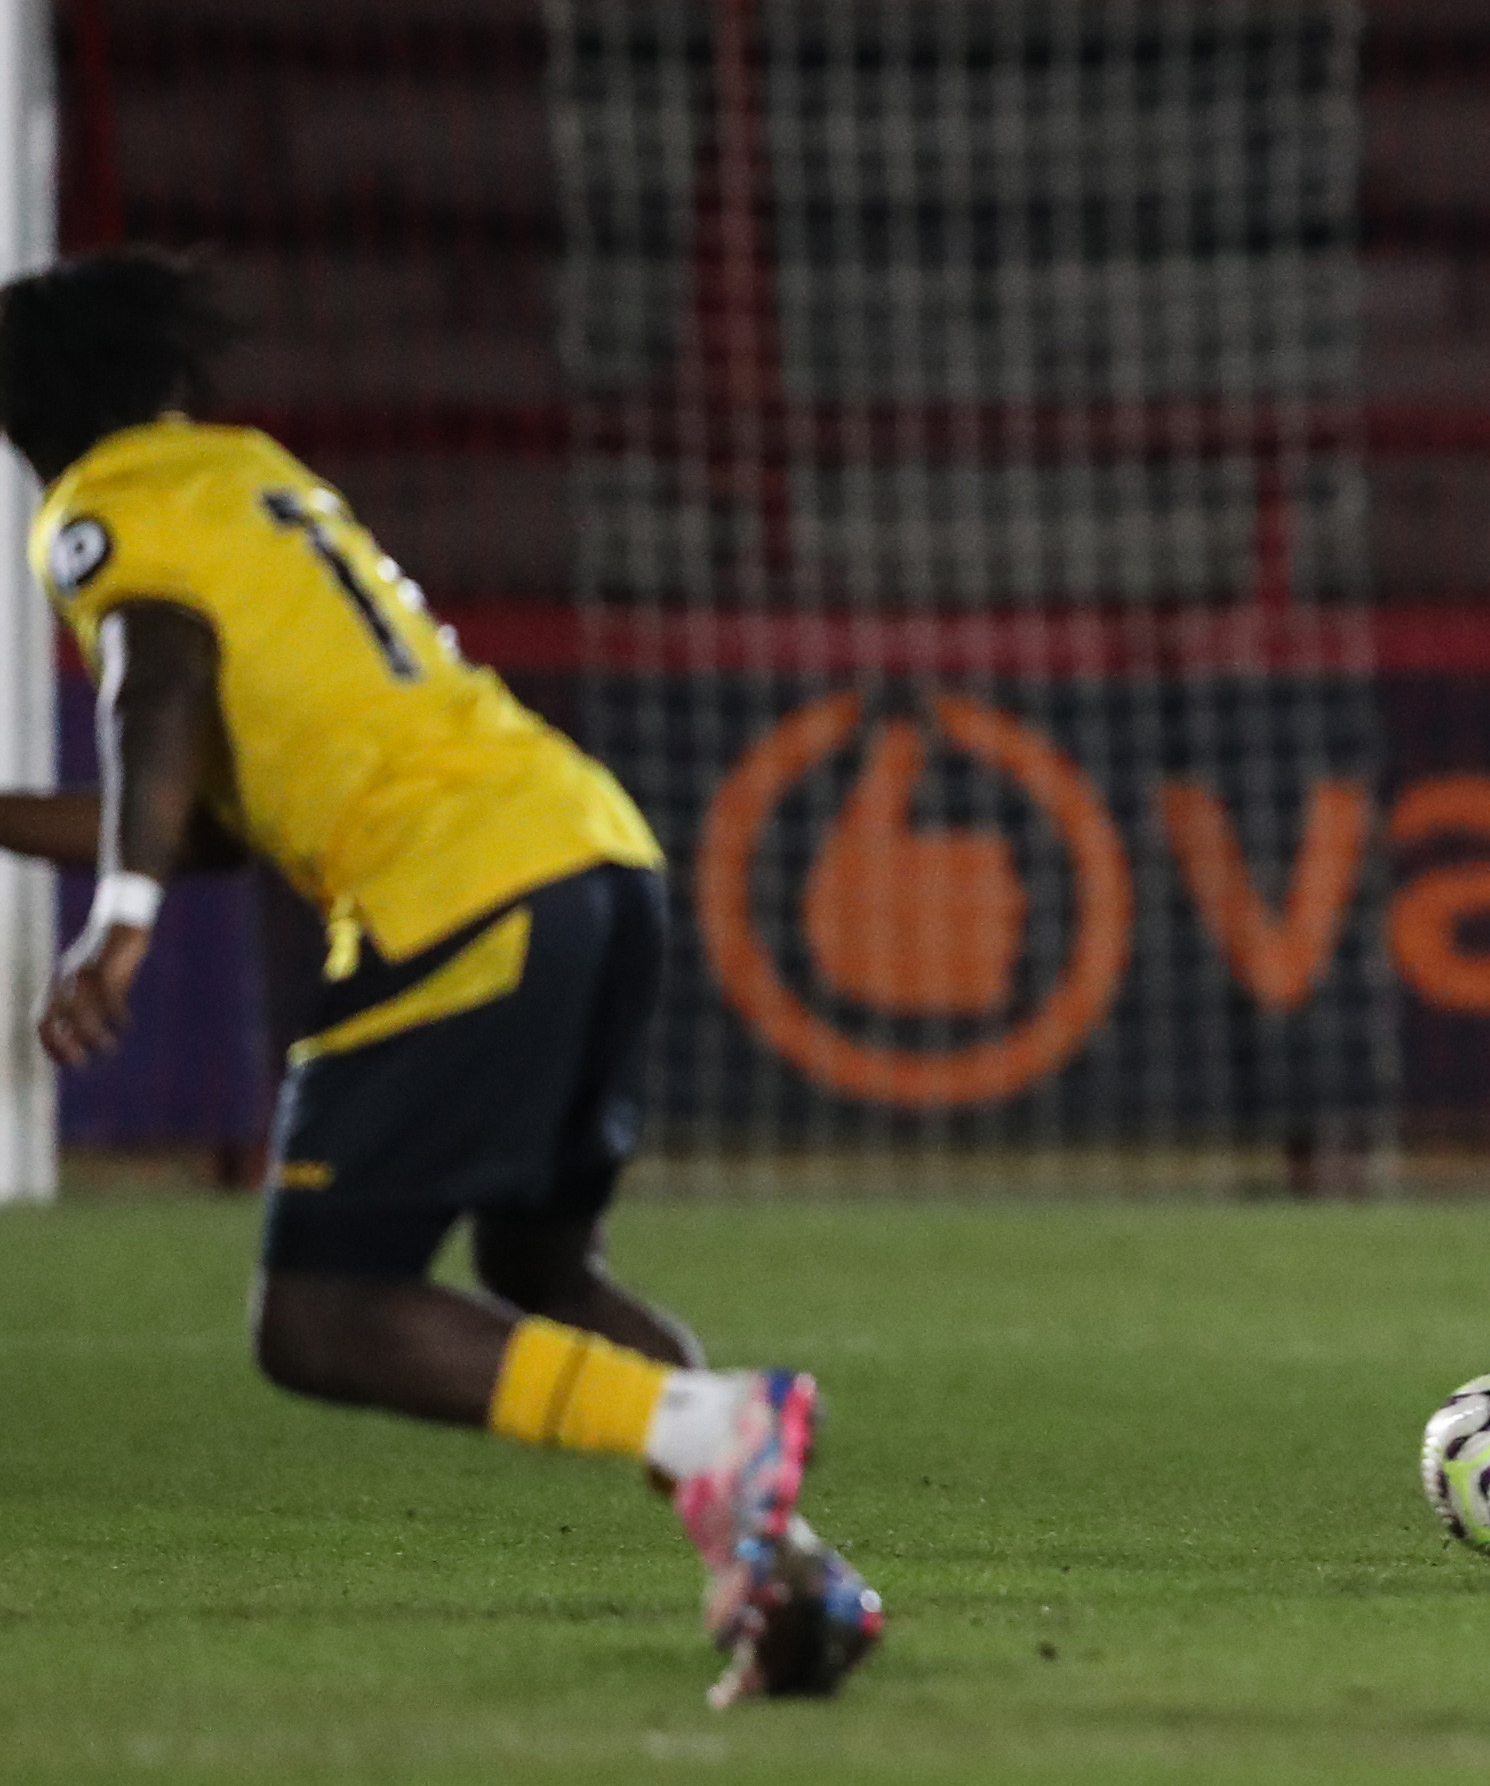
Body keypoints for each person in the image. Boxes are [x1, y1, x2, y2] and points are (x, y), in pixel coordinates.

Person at [0, 248, 881, 1702]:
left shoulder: (103, 511)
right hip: (589, 853)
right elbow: (212, 811)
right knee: (536, 1267)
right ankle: (793, 1581)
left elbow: (154, 688)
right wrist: (123, 857)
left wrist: (122, 916)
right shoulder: (242, 477)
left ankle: (723, 1433)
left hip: (454, 891)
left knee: (324, 1313)